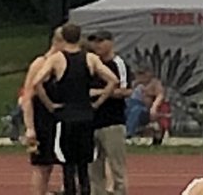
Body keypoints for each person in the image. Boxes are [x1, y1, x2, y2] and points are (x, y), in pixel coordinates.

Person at [26, 21, 119, 195]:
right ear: (79, 37)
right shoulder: (90, 58)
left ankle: (70, 190)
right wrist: (97, 103)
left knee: (67, 163)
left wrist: (50, 104)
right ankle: (84, 190)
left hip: (65, 116)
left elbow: (37, 82)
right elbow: (113, 80)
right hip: (85, 115)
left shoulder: (56, 59)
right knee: (84, 163)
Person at [88, 33, 131, 195]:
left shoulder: (117, 64)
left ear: (111, 43)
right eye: (94, 42)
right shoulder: (92, 65)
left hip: (113, 121)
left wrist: (101, 93)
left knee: (116, 167)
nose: (97, 45)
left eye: (101, 41)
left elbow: (125, 90)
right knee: (94, 168)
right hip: (92, 122)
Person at [22, 27, 63, 195]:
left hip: (60, 120)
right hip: (42, 120)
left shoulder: (63, 64)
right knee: (43, 166)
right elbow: (27, 97)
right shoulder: (40, 63)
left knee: (64, 162)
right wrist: (30, 127)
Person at [125, 67, 166, 142]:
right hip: (130, 104)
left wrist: (154, 107)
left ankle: (128, 133)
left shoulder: (154, 83)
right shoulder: (134, 83)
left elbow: (160, 95)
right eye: (139, 74)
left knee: (136, 110)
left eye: (143, 74)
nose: (141, 76)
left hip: (144, 108)